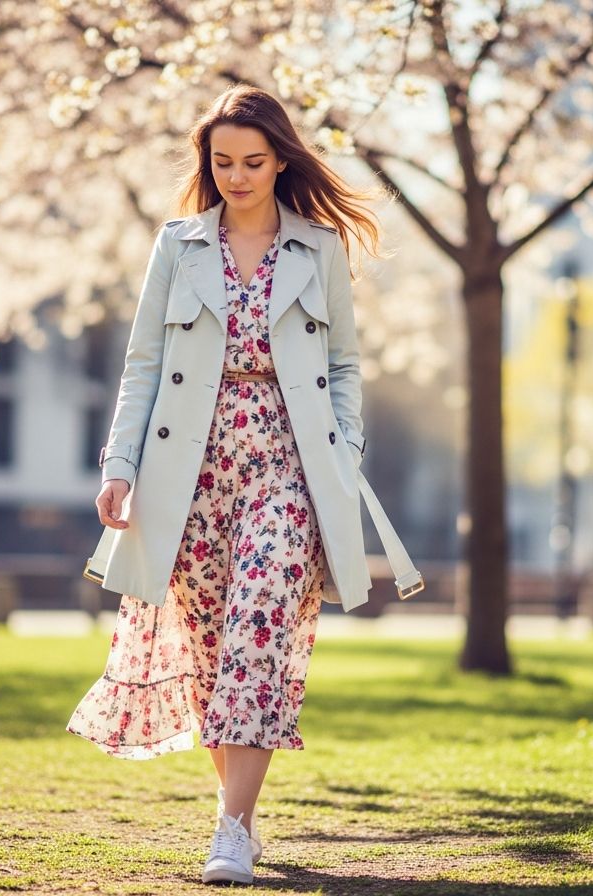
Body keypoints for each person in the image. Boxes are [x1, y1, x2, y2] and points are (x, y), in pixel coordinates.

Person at [65, 84, 421, 886]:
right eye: (223, 161)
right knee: (210, 657)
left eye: (254, 161)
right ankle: (245, 816)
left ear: (281, 160)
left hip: (288, 469)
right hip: (186, 473)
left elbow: (343, 366)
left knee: (258, 633)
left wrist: (346, 449)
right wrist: (119, 466)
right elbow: (143, 364)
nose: (237, 175)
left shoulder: (319, 248)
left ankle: (228, 830)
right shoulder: (178, 246)